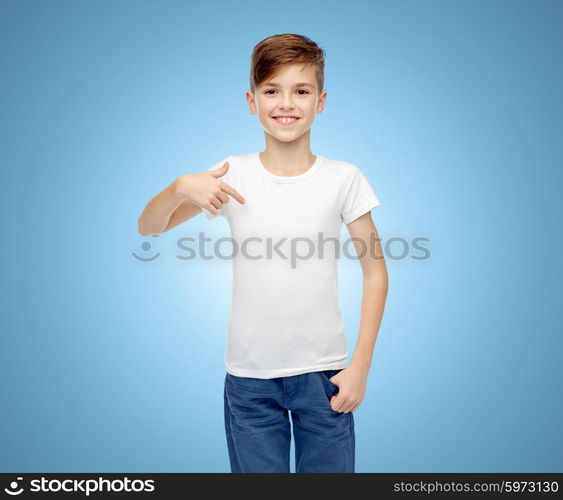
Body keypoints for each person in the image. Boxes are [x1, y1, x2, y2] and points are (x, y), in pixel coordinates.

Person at [137, 33, 388, 473]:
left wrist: (360, 366)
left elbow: (375, 271)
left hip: (325, 376)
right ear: (252, 101)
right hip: (250, 380)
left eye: (301, 90)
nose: (286, 103)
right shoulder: (232, 175)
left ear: (321, 101)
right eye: (272, 90)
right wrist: (181, 187)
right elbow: (149, 226)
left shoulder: (344, 179)